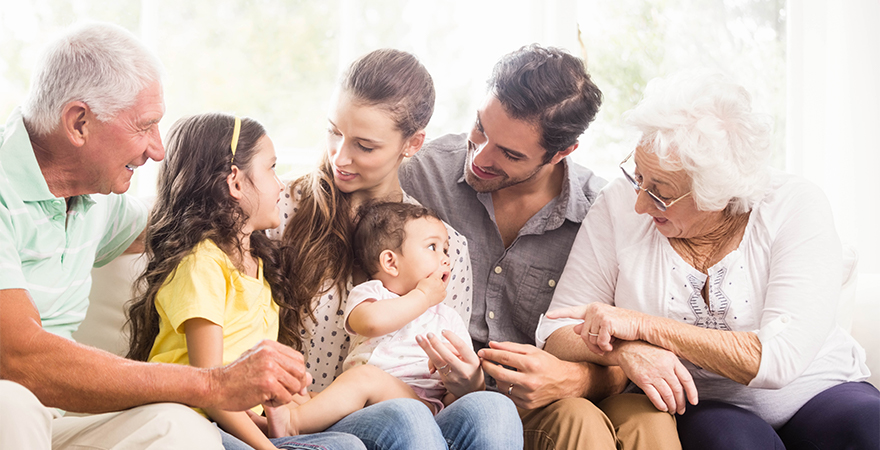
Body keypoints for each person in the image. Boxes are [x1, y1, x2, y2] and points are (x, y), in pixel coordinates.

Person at [0, 23, 314, 449]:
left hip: (50, 423)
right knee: (9, 403)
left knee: (177, 426)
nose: (157, 149)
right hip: (10, 407)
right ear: (78, 123)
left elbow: (181, 215)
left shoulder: (92, 199)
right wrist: (211, 384)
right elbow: (19, 359)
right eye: (145, 126)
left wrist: (252, 198)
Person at [539, 69, 879, 449]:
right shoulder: (618, 204)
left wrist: (642, 326)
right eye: (638, 177)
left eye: (661, 193)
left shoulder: (795, 205)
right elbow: (554, 331)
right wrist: (626, 348)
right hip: (703, 401)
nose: (639, 203)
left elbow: (776, 360)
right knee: (734, 443)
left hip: (817, 391)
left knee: (869, 427)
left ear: (718, 195)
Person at [400, 44, 680, 449]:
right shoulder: (423, 174)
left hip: (538, 404)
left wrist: (579, 378)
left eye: (510, 154)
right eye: (480, 127)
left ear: (562, 153)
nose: (479, 156)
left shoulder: (598, 216)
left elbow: (623, 351)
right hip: (433, 399)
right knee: (576, 417)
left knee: (616, 418)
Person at [268, 48, 522, 450]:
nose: (340, 156)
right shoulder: (278, 210)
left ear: (413, 143)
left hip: (409, 415)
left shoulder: (444, 246)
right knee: (405, 418)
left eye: (365, 146)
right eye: (334, 132)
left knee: (493, 408)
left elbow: (449, 388)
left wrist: (469, 380)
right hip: (310, 422)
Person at [124, 113, 365, 450]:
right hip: (196, 420)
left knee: (366, 432)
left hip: (240, 422)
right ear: (235, 182)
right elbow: (208, 389)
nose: (281, 185)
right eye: (271, 168)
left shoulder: (260, 264)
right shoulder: (202, 264)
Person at [267, 202, 502, 442]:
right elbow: (369, 323)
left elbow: (459, 385)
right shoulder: (372, 293)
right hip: (373, 402)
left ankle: (296, 420)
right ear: (390, 262)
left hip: (427, 404)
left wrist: (465, 378)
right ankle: (293, 423)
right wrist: (422, 297)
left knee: (367, 378)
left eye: (446, 250)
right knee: (360, 379)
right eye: (433, 247)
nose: (445, 260)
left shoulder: (447, 316)